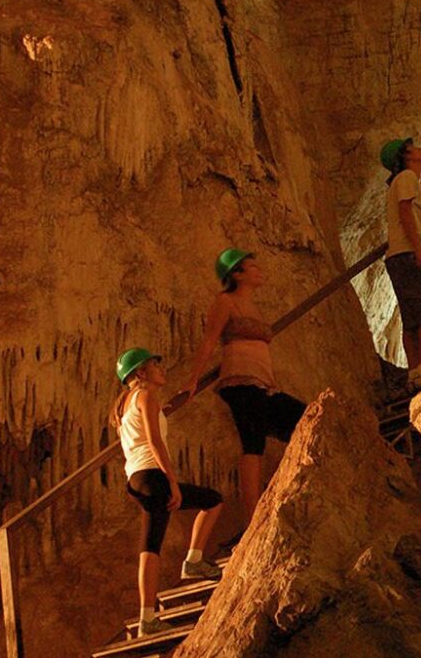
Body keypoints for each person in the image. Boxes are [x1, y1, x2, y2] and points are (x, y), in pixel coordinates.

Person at [182, 249, 306, 542]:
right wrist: (192, 380)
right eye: (252, 267)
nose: (258, 270)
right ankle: (253, 519)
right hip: (240, 382)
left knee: (303, 420)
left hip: (264, 385)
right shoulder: (226, 302)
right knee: (253, 444)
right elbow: (210, 341)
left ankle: (283, 497)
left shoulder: (255, 307)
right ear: (236, 274)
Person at [113, 347, 223, 638]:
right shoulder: (146, 396)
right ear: (140, 373)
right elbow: (154, 442)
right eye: (154, 364)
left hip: (135, 478)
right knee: (213, 501)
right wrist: (171, 481)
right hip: (152, 475)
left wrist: (189, 390)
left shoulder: (124, 405)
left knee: (149, 545)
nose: (162, 368)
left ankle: (147, 618)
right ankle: (194, 561)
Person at [380, 137, 421, 390]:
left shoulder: (403, 181)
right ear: (407, 156)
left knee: (411, 317)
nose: (420, 149)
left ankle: (414, 373)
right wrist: (419, 250)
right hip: (407, 252)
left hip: (397, 256)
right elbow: (406, 213)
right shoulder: (406, 178)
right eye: (414, 147)